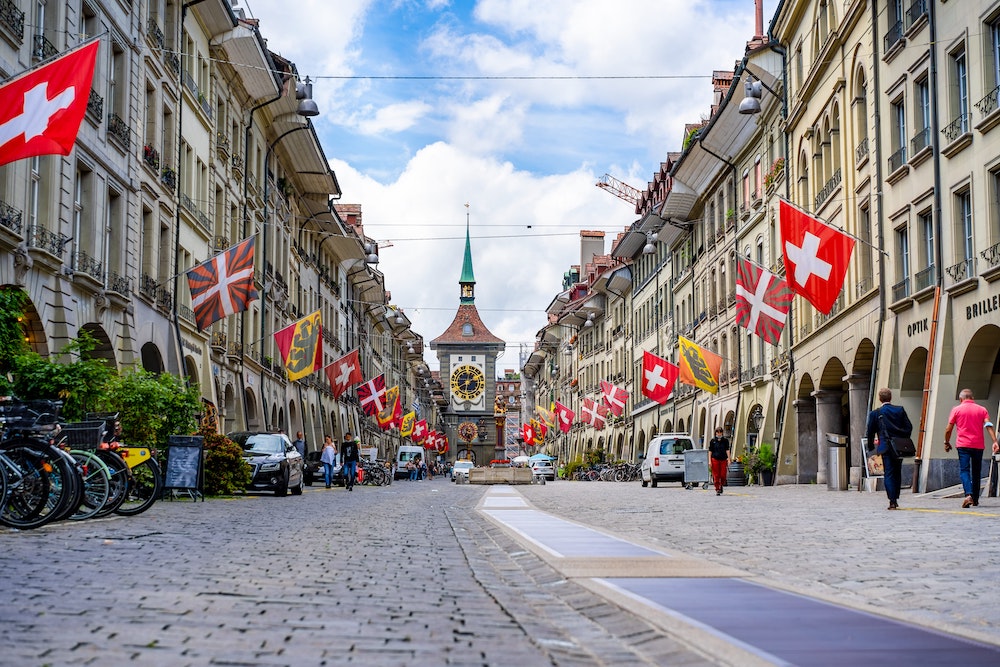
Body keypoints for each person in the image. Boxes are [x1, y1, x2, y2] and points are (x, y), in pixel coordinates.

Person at [944, 388, 999, 508]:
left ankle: (968, 494)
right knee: (976, 471)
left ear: (961, 399)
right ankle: (975, 499)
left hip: (963, 445)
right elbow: (988, 425)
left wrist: (946, 442)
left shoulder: (956, 410)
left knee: (964, 470)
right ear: (972, 398)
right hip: (978, 445)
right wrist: (995, 441)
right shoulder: (982, 409)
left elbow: (949, 429)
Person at [865, 388, 913, 510]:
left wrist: (870, 446)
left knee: (889, 473)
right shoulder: (899, 410)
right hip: (899, 446)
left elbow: (870, 431)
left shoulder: (876, 413)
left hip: (885, 447)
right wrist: (902, 437)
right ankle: (895, 496)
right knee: (897, 472)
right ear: (890, 398)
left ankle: (892, 500)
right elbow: (909, 427)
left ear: (880, 399)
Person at [707, 427, 730, 495]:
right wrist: (709, 461)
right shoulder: (713, 441)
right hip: (715, 459)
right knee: (716, 476)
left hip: (723, 459)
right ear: (715, 433)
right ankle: (717, 488)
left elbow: (727, 450)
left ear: (722, 433)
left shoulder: (725, 441)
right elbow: (710, 451)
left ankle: (721, 485)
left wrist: (729, 459)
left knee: (723, 475)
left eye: (720, 432)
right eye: (717, 432)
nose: (719, 434)